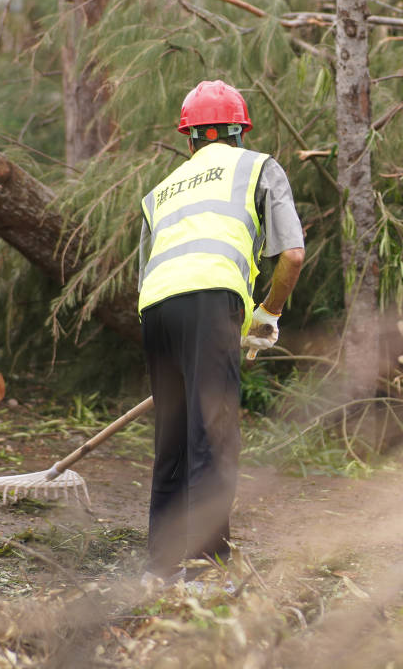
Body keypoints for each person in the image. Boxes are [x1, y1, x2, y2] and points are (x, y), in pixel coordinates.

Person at [138, 79, 304, 584]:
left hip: (156, 308)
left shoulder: (160, 190)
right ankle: (206, 566)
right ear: (238, 132)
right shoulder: (257, 166)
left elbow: (148, 269)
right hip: (212, 302)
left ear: (189, 138)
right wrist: (268, 314)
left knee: (175, 437)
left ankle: (161, 566)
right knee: (213, 433)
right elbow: (292, 254)